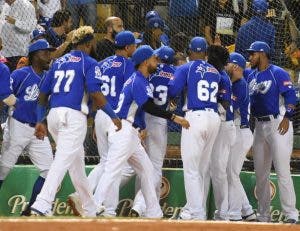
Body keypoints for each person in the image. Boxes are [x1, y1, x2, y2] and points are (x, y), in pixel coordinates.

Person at [30, 26, 121, 217]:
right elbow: (95, 92)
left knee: (76, 163)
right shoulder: (89, 62)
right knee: (62, 159)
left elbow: (42, 96)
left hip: (54, 115)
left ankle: (90, 207)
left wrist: (40, 120)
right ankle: (43, 202)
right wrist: (113, 115)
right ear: (88, 44)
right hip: (73, 116)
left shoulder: (57, 62)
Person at [91, 45, 189, 218]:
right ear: (145, 62)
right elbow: (149, 107)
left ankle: (153, 212)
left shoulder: (141, 79)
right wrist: (175, 118)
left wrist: (140, 127)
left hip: (130, 131)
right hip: (122, 130)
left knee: (147, 171)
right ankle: (95, 204)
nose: (156, 62)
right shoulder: (137, 80)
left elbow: (144, 108)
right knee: (112, 169)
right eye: (153, 59)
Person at [67, 30, 141, 217]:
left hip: (100, 114)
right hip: (116, 116)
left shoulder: (101, 63)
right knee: (114, 165)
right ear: (127, 47)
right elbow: (133, 94)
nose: (135, 47)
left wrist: (93, 120)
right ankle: (107, 209)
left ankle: (86, 196)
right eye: (134, 45)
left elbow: (93, 93)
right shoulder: (130, 65)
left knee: (106, 162)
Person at [0, 39, 55, 216]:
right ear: (35, 55)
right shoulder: (20, 74)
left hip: (38, 129)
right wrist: (7, 118)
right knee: (3, 169)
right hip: (17, 126)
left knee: (49, 170)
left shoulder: (49, 77)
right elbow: (4, 97)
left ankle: (31, 211)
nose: (49, 56)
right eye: (45, 52)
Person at [168, 37, 221, 220]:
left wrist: (173, 96)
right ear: (205, 53)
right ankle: (197, 210)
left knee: (191, 169)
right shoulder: (215, 70)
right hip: (214, 118)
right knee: (203, 169)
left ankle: (195, 213)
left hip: (195, 118)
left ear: (190, 51)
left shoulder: (185, 67)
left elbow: (172, 89)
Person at [246, 41, 298, 223]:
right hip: (259, 127)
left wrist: (287, 117)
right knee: (260, 173)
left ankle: (291, 214)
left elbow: (291, 96)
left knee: (283, 170)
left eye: (253, 54)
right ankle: (263, 214)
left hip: (278, 123)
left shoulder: (277, 72)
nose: (250, 57)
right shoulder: (251, 75)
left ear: (262, 53)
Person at [130, 46, 176, 217]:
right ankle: (141, 204)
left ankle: (150, 207)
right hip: (159, 118)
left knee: (142, 166)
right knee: (155, 166)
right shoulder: (173, 71)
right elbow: (174, 91)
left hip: (141, 117)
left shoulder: (148, 70)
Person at [225, 52, 256, 221]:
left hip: (242, 132)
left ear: (235, 67)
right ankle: (248, 211)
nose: (226, 67)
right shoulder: (234, 82)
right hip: (238, 131)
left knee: (232, 173)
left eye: (228, 64)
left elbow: (229, 108)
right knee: (231, 173)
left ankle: (235, 214)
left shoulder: (240, 85)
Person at [207, 45, 235, 221]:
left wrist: (210, 104)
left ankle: (223, 213)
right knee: (212, 169)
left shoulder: (222, 77)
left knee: (219, 170)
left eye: (209, 56)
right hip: (218, 124)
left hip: (224, 125)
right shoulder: (215, 73)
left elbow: (224, 105)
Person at [0, 0, 37, 71]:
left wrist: (15, 22)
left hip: (18, 52)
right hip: (4, 52)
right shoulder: (6, 6)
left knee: (15, 78)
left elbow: (31, 26)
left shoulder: (26, 5)